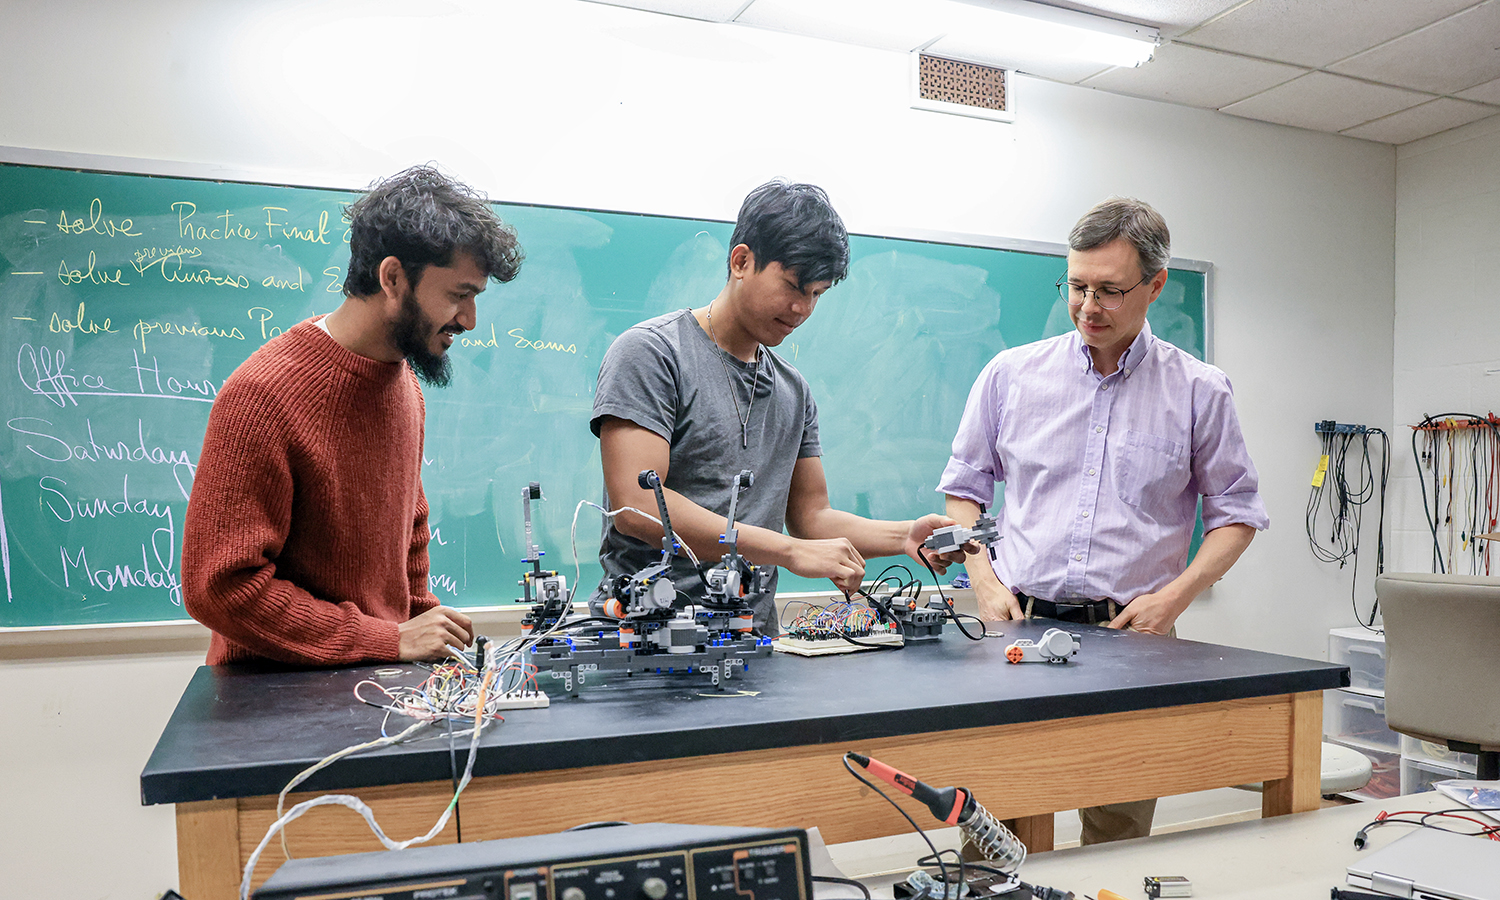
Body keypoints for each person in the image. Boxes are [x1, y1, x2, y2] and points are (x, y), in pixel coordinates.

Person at [938, 196, 1268, 844]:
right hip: (1016, 629)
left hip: (1134, 643)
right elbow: (963, 489)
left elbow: (1236, 514)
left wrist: (1176, 597)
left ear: (1155, 286)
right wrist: (982, 579)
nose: (1090, 306)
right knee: (995, 834)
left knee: (1115, 834)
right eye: (1078, 286)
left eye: (1111, 291)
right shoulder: (1011, 376)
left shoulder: (1200, 390)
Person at [182, 165, 524, 666]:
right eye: (459, 294)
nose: (469, 320)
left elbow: (409, 536)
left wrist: (435, 635)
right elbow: (219, 587)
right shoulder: (262, 397)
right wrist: (388, 640)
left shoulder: (404, 383)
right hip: (269, 711)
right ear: (392, 279)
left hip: (369, 684)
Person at [590, 179, 967, 632]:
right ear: (742, 261)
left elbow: (811, 516)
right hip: (648, 643)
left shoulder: (793, 390)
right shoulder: (652, 354)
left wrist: (903, 535)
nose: (801, 308)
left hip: (753, 642)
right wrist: (787, 551)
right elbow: (637, 507)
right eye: (792, 286)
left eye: (817, 295)